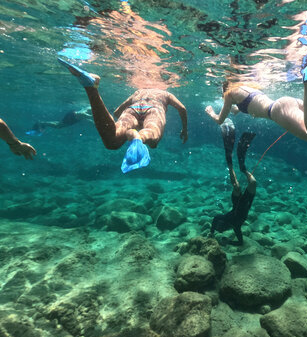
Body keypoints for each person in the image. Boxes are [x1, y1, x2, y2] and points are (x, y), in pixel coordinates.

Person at [58, 58, 188, 173]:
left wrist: (124, 126)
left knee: (112, 142)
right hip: (154, 109)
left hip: (133, 109)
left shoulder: (138, 92)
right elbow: (182, 108)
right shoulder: (165, 93)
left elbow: (117, 112)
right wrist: (184, 129)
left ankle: (91, 87)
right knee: (153, 138)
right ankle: (139, 137)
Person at [210, 119, 256, 245]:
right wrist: (228, 242)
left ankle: (230, 164)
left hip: (237, 203)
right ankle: (243, 167)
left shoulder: (226, 219)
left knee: (236, 186)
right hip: (247, 202)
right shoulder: (236, 227)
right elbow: (240, 242)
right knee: (253, 183)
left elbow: (215, 218)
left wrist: (212, 232)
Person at [27, 107, 93, 136]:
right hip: (73, 116)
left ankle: (42, 123)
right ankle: (41, 123)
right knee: (59, 125)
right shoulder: (88, 111)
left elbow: (85, 116)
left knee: (59, 125)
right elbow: (84, 115)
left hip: (74, 116)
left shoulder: (89, 110)